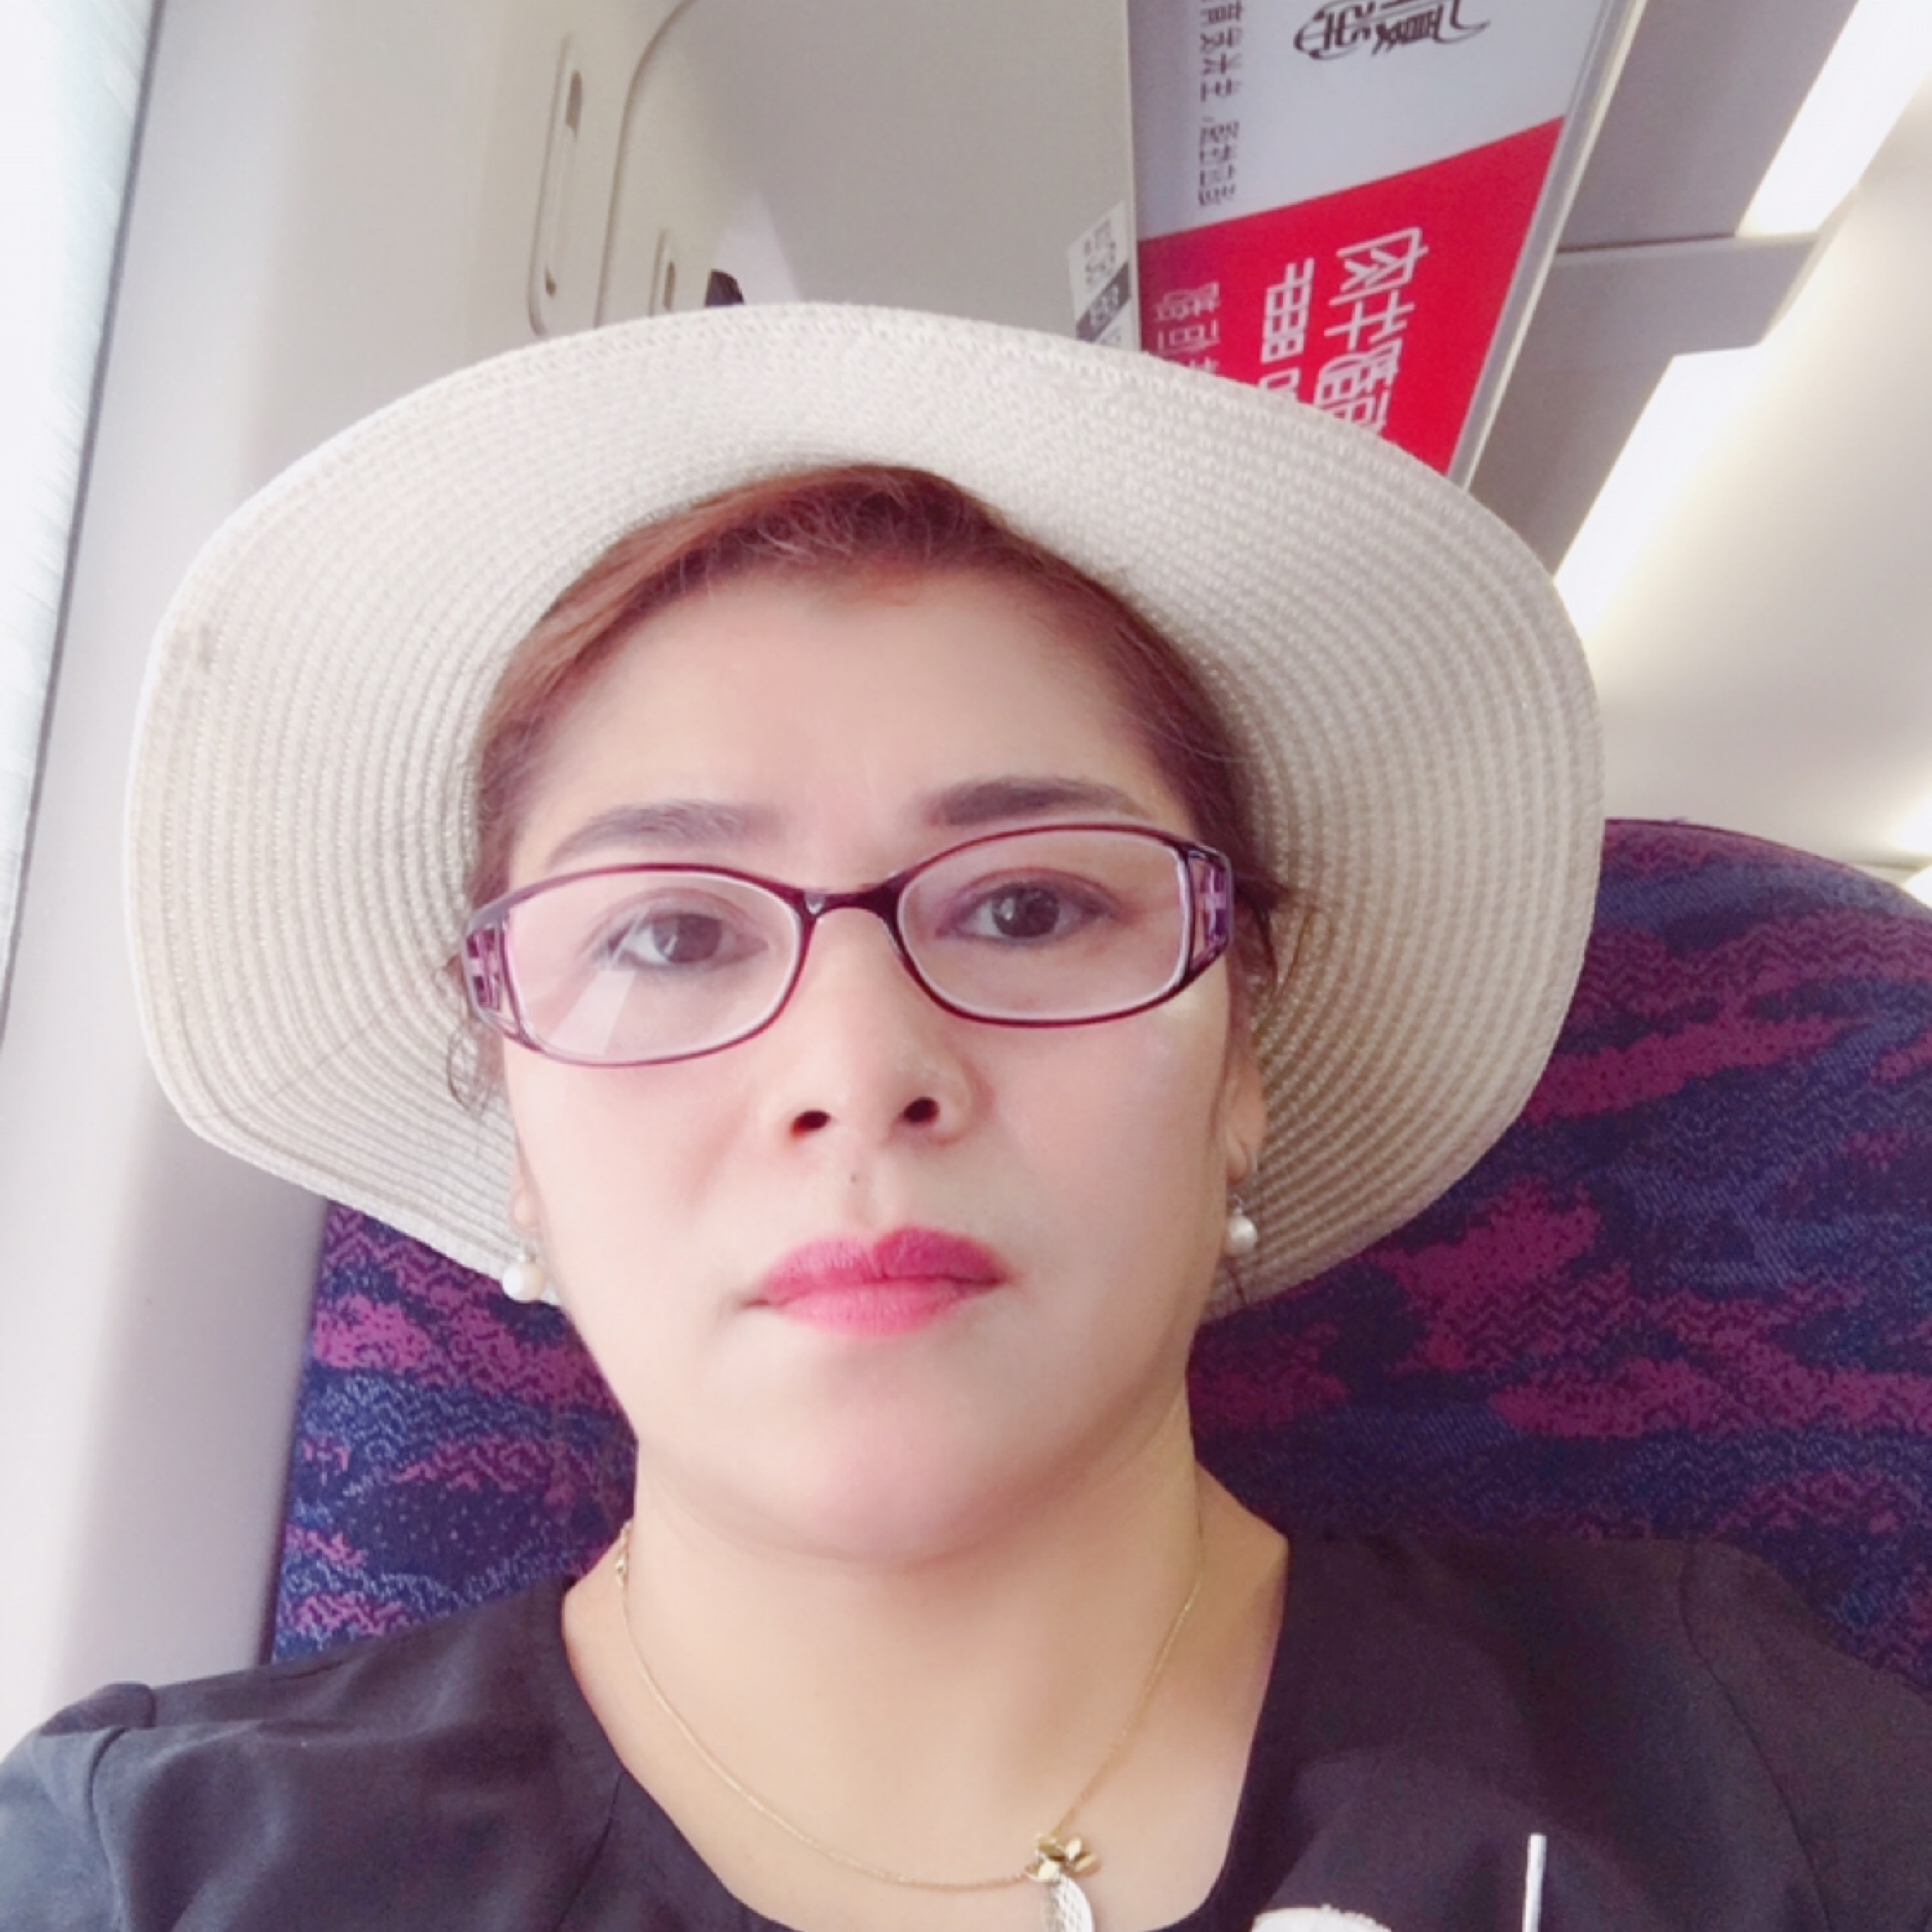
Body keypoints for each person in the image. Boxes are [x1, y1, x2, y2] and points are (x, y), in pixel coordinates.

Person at [3, 306, 1929, 1931]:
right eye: (668, 934)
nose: (858, 1063)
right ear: (514, 1129)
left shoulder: (1731, 1774)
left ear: (1241, 1064)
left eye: (1026, 907)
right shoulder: (147, 1872)